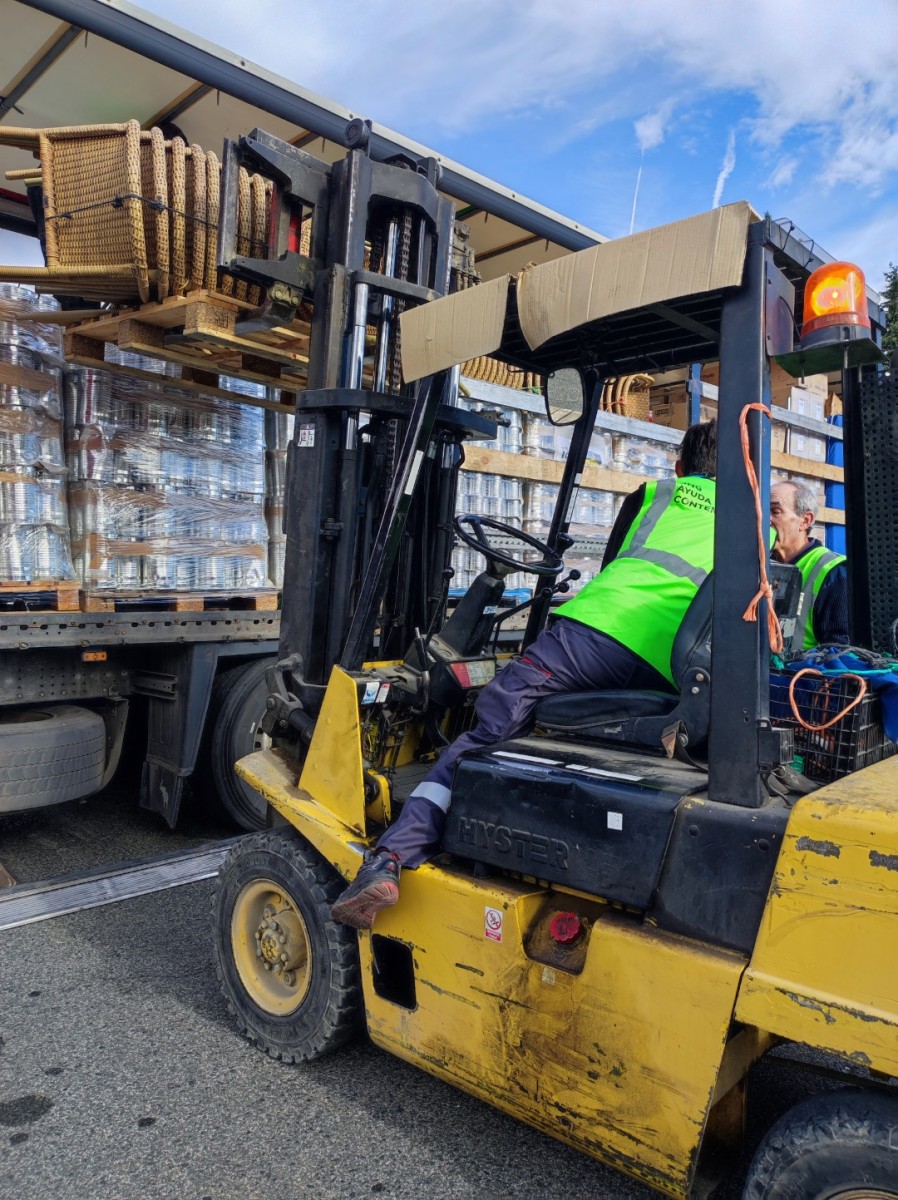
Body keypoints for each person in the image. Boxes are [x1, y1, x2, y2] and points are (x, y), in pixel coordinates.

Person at [331, 419, 718, 929]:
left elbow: (615, 566)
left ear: (680, 466)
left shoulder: (657, 494)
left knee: (493, 721)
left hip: (596, 634)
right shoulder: (760, 527)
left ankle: (390, 857)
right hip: (671, 667)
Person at [769, 480, 848, 650]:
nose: (764, 520)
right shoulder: (757, 565)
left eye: (775, 511)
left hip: (799, 668)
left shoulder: (834, 572)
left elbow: (839, 653)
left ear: (805, 521)